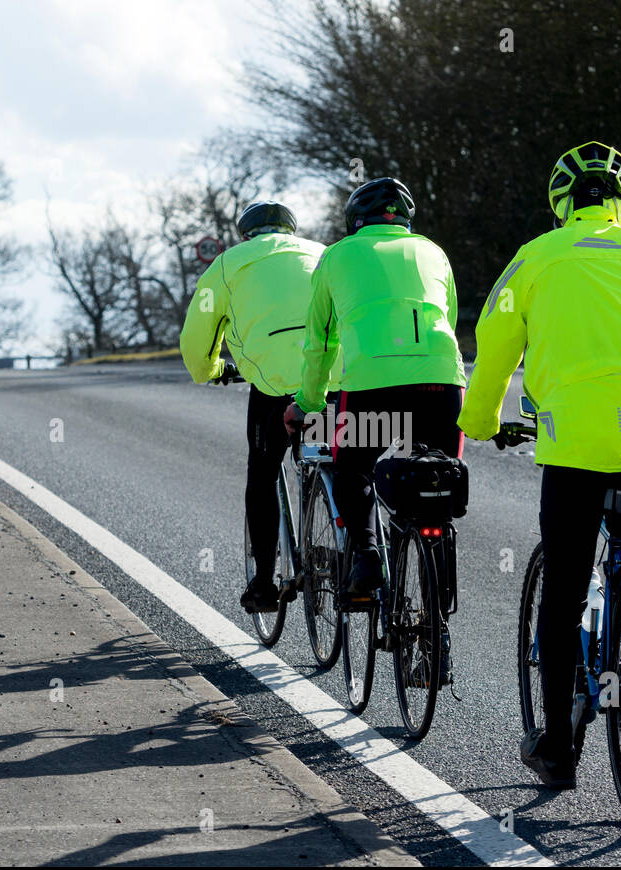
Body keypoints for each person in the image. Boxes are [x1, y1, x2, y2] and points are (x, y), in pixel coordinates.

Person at [459, 142, 621, 788]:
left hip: (574, 444)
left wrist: (477, 421)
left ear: (562, 203)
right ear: (620, 203)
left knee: (562, 590)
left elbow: (495, 343)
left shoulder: (538, 257)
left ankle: (559, 750)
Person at [283, 177, 467, 679]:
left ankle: (366, 560)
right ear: (405, 220)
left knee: (354, 469)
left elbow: (319, 342)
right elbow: (446, 316)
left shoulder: (336, 257)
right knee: (437, 484)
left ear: (355, 221)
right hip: (441, 381)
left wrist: (307, 403)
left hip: (371, 383)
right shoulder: (434, 252)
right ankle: (438, 627)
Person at [179, 201, 327, 614]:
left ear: (247, 235)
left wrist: (212, 370)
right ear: (291, 231)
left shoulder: (228, 265)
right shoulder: (323, 253)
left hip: (274, 385)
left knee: (262, 475)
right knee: (350, 464)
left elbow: (196, 338)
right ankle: (357, 552)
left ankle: (263, 585)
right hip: (332, 376)